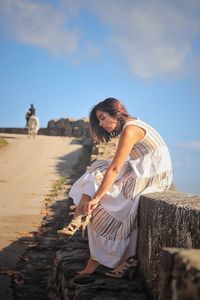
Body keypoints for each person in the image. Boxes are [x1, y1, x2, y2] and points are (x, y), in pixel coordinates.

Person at [58, 97, 173, 278]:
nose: (101, 124)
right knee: (97, 167)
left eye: (103, 117)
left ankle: (83, 223)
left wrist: (96, 197)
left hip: (151, 178)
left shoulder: (131, 129)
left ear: (116, 112)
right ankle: (81, 216)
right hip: (143, 171)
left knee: (101, 200)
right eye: (98, 120)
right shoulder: (133, 125)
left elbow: (115, 168)